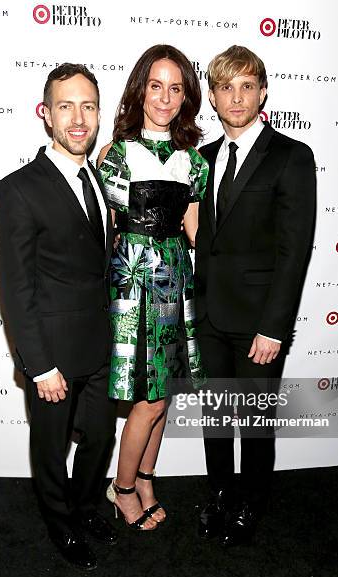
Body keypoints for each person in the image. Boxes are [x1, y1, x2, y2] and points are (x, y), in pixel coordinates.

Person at [0, 63, 118, 570]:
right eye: (65, 106)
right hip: (52, 352)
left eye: (88, 105)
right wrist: (38, 364)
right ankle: (59, 524)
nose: (78, 117)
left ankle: (86, 506)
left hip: (102, 343)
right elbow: (16, 287)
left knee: (100, 438)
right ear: (45, 115)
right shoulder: (19, 188)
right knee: (50, 449)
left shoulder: (106, 178)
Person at [195, 45, 316, 547]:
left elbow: (295, 252)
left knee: (255, 421)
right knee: (216, 418)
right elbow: (201, 237)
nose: (237, 97)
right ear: (213, 97)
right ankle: (221, 494)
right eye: (226, 87)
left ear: (263, 91)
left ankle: (251, 502)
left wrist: (273, 327)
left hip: (258, 324)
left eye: (247, 86)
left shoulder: (291, 156)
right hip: (207, 316)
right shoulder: (200, 160)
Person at [97, 44, 208, 530]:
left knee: (163, 395)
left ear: (186, 97)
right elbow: (115, 228)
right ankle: (120, 490)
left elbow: (196, 234)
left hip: (175, 281)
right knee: (149, 399)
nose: (164, 97)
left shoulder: (194, 163)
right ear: (140, 88)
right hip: (135, 284)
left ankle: (145, 479)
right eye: (156, 85)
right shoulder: (115, 156)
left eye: (176, 88)